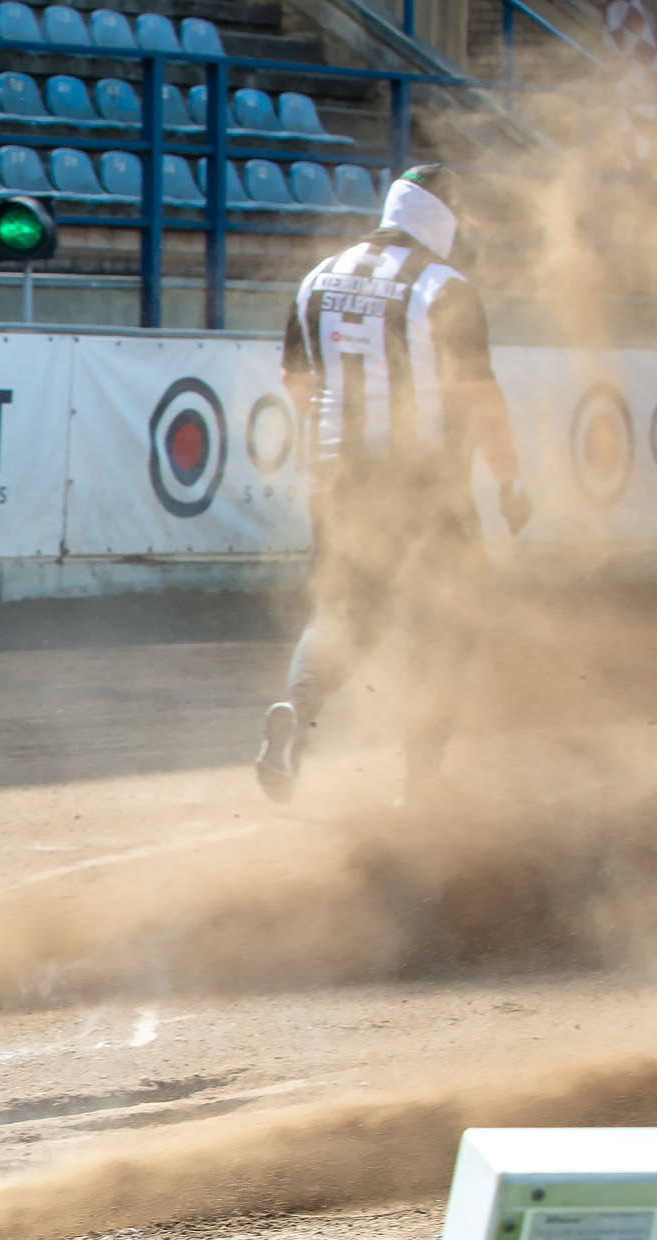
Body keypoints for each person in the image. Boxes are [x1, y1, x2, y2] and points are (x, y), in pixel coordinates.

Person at [257, 164, 529, 802]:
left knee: (345, 612)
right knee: (450, 621)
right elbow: (480, 397)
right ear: (444, 219)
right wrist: (511, 479)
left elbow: (295, 383)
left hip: (338, 479)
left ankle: (296, 711)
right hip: (425, 484)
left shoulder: (318, 279)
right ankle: (422, 778)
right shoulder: (445, 287)